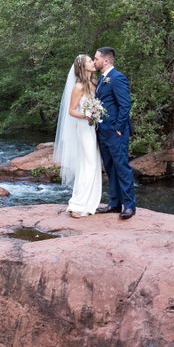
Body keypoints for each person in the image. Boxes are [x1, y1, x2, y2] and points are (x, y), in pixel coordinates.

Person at [53, 54, 102, 218]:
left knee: (93, 163)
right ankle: (76, 205)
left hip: (92, 129)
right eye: (89, 61)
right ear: (82, 67)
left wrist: (95, 114)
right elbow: (71, 110)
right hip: (83, 128)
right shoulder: (79, 86)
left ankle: (90, 203)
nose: (93, 62)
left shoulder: (93, 83)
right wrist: (87, 115)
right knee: (88, 164)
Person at [93, 47, 136, 219]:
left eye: (96, 58)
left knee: (122, 167)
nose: (94, 61)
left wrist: (118, 128)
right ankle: (114, 203)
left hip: (116, 132)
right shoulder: (102, 79)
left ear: (105, 60)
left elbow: (125, 105)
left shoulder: (117, 78)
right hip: (102, 131)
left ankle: (129, 205)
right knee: (110, 168)